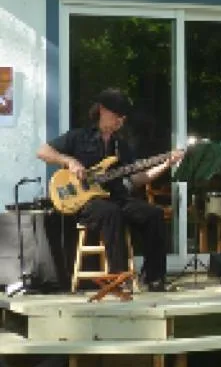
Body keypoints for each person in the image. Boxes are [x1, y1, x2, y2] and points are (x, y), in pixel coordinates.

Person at [37, 89, 180, 292]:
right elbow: (42, 151)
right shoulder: (78, 137)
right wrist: (69, 161)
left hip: (116, 197)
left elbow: (137, 178)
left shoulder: (120, 146)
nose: (120, 121)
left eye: (123, 117)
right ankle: (118, 277)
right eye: (116, 115)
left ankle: (154, 278)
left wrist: (166, 164)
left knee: (154, 214)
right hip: (85, 203)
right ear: (102, 111)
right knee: (110, 212)